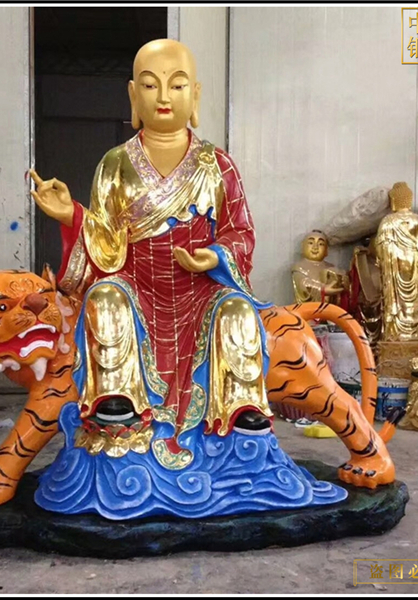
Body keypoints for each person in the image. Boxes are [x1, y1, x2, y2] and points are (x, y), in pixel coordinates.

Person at [30, 38, 274, 468]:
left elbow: (241, 231)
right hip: (136, 285)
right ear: (132, 95)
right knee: (105, 298)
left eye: (177, 86)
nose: (163, 97)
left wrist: (215, 256)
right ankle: (118, 401)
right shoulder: (115, 164)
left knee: (237, 310)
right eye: (149, 85)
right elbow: (106, 239)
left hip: (199, 290)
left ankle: (238, 408)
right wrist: (70, 214)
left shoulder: (217, 164)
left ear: (195, 94)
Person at [375, 182, 418, 342]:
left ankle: (395, 333)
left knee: (394, 299)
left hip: (394, 265)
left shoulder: (388, 221)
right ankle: (415, 332)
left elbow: (380, 246)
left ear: (393, 201)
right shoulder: (417, 220)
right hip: (413, 263)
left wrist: (384, 256)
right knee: (415, 297)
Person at [291, 230, 349, 306]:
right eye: (311, 243)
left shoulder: (331, 267)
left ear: (326, 250)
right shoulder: (299, 267)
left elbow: (343, 283)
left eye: (321, 244)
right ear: (303, 246)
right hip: (308, 309)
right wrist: (323, 289)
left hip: (330, 308)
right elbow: (303, 284)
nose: (315, 247)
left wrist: (343, 281)